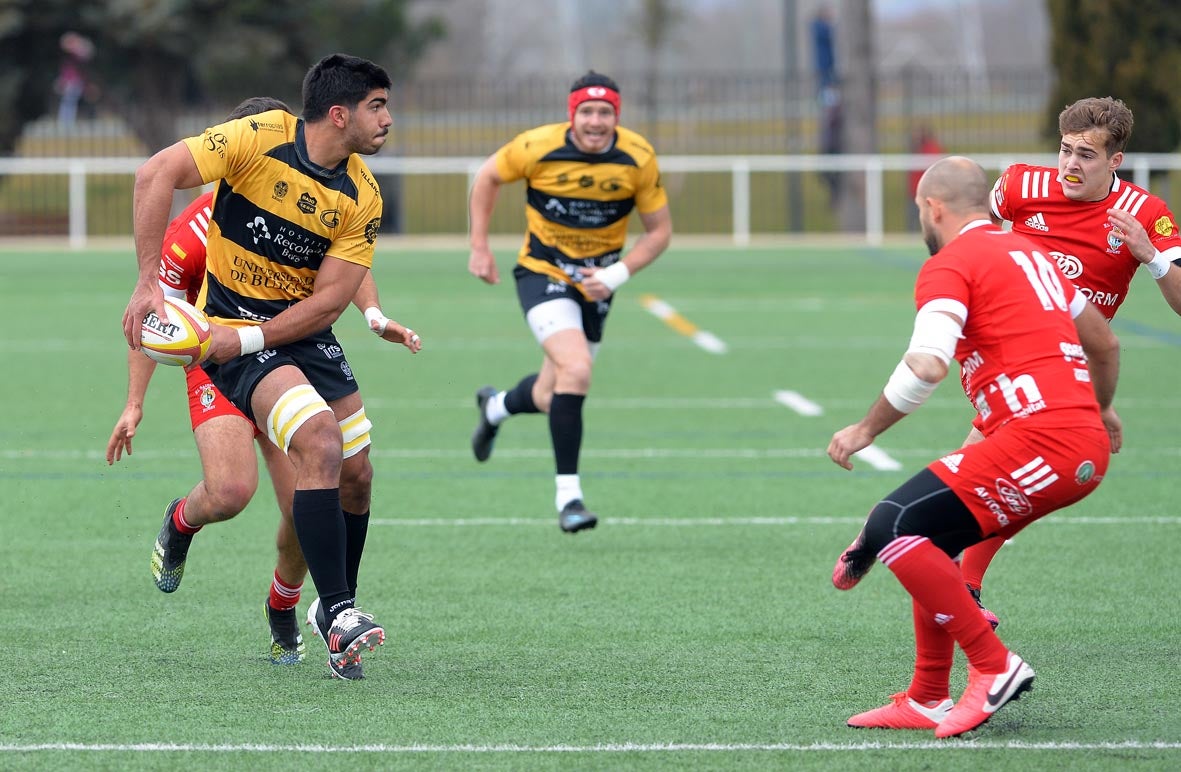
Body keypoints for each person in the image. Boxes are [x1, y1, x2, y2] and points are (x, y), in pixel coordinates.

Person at [107, 98, 421, 668]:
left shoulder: (319, 199)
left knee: (306, 500)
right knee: (230, 493)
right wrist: (134, 403)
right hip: (218, 364)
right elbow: (156, 316)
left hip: (287, 352)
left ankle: (286, 606)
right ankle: (181, 522)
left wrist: (374, 316)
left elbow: (351, 268)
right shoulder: (196, 230)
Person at [827, 156, 1121, 738]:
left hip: (1044, 440)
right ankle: (929, 695)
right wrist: (1102, 408)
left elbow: (927, 367)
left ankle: (994, 665)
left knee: (895, 523)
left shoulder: (951, 263)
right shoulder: (1032, 253)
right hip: (1067, 438)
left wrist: (864, 430)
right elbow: (1105, 344)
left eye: (919, 210)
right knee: (921, 532)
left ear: (932, 208)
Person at [960, 96, 1181, 626]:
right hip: (1009, 352)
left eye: (1086, 154)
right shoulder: (1018, 186)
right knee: (991, 478)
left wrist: (1149, 257)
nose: (1070, 165)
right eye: (1064, 150)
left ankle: (943, 573)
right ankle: (944, 573)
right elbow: (969, 234)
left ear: (1115, 160)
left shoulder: (1148, 214)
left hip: (1073, 372)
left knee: (995, 478)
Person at [466, 70, 672, 533]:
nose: (595, 121)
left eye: (605, 112)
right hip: (542, 273)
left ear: (616, 117)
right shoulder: (536, 146)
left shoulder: (637, 158)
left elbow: (660, 232)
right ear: (571, 114)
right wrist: (479, 245)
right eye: (587, 111)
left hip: (599, 284)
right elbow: (487, 177)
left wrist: (617, 274)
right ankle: (569, 498)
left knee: (550, 392)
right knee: (577, 370)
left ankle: (495, 407)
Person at [907, 125, 944, 231]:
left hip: (927, 194)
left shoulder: (931, 148)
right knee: (914, 219)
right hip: (915, 192)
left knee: (928, 220)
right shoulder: (916, 149)